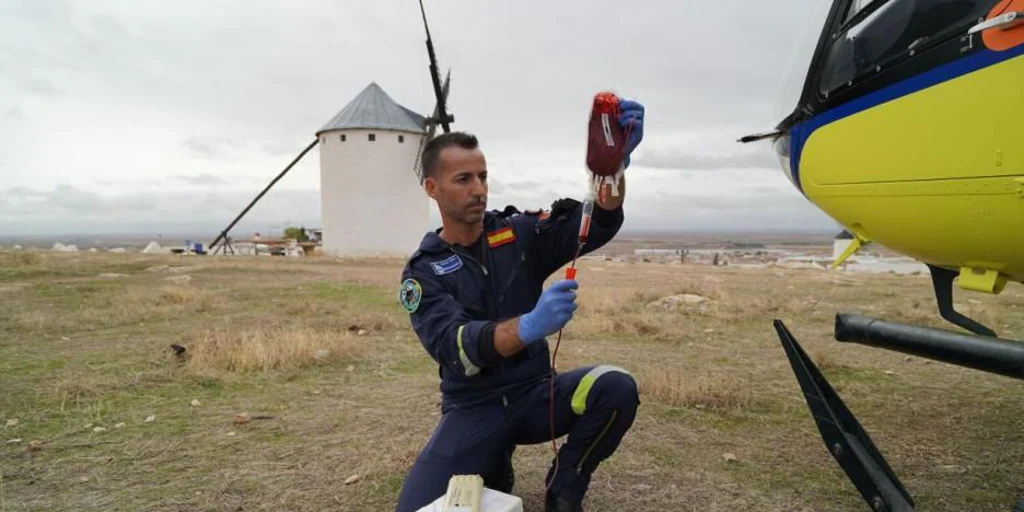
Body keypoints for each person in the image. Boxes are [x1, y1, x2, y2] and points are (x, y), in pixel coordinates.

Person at [395, 98, 645, 512]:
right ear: (432, 188)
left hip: (535, 396)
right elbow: (456, 347)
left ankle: (566, 483)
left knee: (615, 386)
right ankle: (493, 462)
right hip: (474, 409)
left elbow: (594, 222)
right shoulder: (423, 272)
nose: (478, 189)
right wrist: (529, 325)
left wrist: (612, 169)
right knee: (416, 510)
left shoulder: (518, 233)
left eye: (482, 176)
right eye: (463, 179)